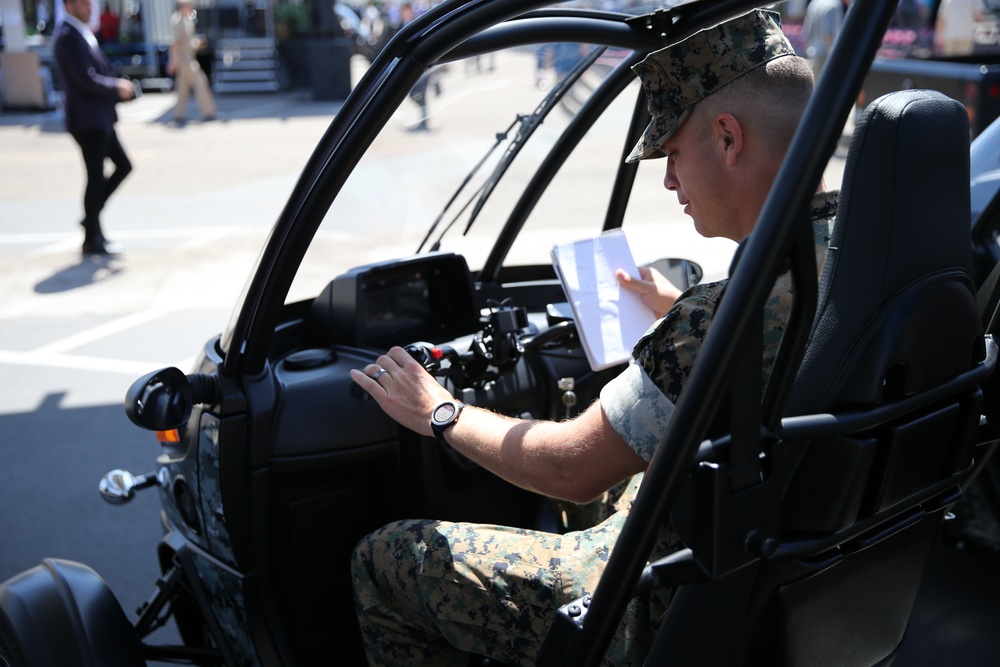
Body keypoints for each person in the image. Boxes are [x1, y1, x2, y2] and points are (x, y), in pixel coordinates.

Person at [350, 9, 836, 666]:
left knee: (383, 558)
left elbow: (569, 468)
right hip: (784, 569)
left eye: (671, 153)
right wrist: (678, 311)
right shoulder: (848, 254)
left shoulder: (722, 317)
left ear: (727, 137)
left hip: (662, 600)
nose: (668, 182)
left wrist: (437, 408)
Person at [53, 0, 136, 256]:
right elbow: (85, 80)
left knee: (123, 166)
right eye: (83, 3)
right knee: (95, 177)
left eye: (90, 3)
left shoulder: (81, 32)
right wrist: (116, 87)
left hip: (100, 118)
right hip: (88, 121)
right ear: (69, 6)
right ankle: (93, 237)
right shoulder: (67, 36)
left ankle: (91, 219)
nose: (89, 7)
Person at [167, 0, 217, 124]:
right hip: (184, 59)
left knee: (183, 87)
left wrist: (197, 44)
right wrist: (172, 61)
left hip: (188, 56)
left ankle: (178, 114)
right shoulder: (177, 20)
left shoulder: (186, 19)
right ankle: (208, 112)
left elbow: (187, 42)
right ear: (183, 6)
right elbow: (175, 44)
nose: (191, 8)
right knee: (200, 82)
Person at [802, 0, 849, 81]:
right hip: (826, 55)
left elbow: (806, 31)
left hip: (812, 52)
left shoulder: (814, 3)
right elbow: (827, 34)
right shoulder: (834, 5)